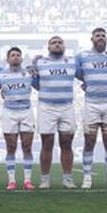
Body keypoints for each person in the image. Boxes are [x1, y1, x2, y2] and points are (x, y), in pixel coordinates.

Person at [75, 28, 107, 189]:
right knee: (89, 142)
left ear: (106, 39)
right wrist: (86, 79)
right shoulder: (83, 56)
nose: (100, 38)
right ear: (92, 39)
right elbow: (73, 69)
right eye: (97, 35)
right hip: (91, 104)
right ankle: (87, 178)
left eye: (103, 35)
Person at [31, 36, 77, 189]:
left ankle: (68, 178)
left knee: (66, 143)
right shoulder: (40, 62)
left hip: (67, 106)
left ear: (64, 46)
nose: (57, 45)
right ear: (48, 47)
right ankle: (45, 179)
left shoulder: (72, 61)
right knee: (47, 143)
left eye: (60, 42)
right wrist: (31, 65)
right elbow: (36, 83)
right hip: (47, 107)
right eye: (53, 43)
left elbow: (86, 76)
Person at [0, 47, 35, 191]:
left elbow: (38, 85)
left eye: (18, 55)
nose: (15, 57)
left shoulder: (29, 73)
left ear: (21, 58)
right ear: (8, 59)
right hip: (9, 112)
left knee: (27, 147)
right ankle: (11, 181)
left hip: (26, 112)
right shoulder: (1, 75)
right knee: (11, 147)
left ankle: (27, 180)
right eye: (12, 55)